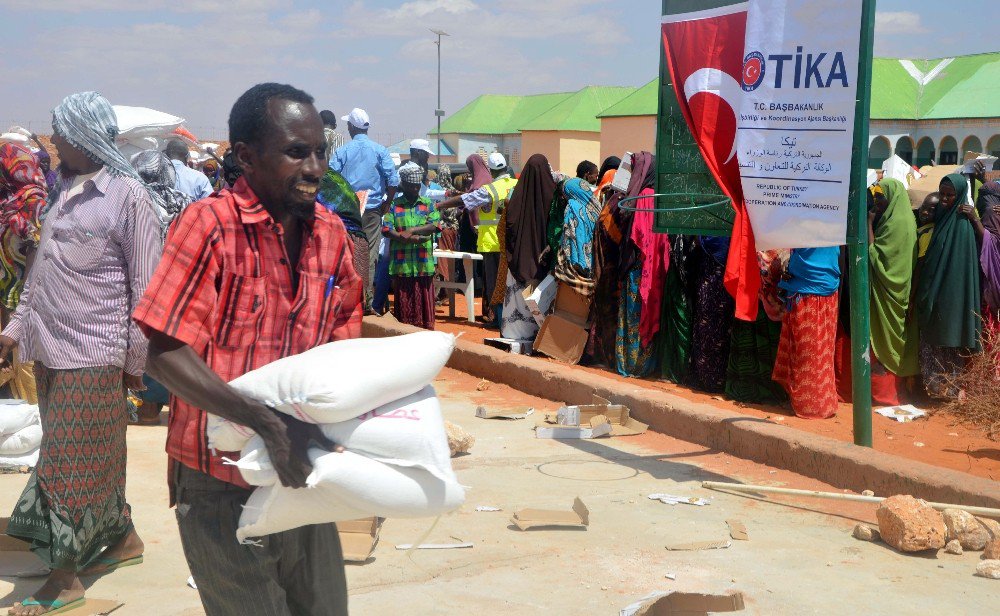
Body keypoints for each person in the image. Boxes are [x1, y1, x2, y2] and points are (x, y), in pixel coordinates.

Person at [134, 83, 362, 616]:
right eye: (295, 152)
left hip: (303, 472)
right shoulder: (208, 227)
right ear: (245, 157)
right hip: (218, 480)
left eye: (320, 151)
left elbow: (345, 341)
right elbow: (164, 350)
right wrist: (264, 422)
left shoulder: (330, 235)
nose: (313, 168)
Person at [0, 91, 162, 616]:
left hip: (94, 352)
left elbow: (146, 290)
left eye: (61, 133)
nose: (54, 141)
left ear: (85, 136)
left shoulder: (128, 198)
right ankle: (122, 541)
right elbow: (40, 274)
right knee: (100, 454)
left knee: (64, 462)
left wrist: (136, 364)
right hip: (49, 348)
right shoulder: (63, 191)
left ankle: (65, 578)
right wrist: (14, 330)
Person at [128, 150, 194, 425]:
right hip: (177, 288)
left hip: (142, 287)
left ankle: (145, 409)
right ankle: (174, 405)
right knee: (172, 346)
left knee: (143, 345)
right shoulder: (185, 203)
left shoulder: (132, 202)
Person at [915, 173, 982, 399]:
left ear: (960, 195)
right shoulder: (940, 220)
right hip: (933, 293)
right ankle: (934, 391)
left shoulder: (963, 226)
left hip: (951, 296)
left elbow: (962, 268)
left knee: (950, 343)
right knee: (932, 343)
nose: (944, 199)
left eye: (949, 195)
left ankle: (950, 392)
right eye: (942, 194)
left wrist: (976, 219)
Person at [330, 107, 399, 312]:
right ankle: (365, 300)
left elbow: (331, 178)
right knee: (368, 254)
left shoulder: (343, 151)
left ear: (351, 127)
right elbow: (393, 180)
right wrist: (387, 203)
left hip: (348, 208)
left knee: (347, 252)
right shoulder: (380, 150)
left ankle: (346, 299)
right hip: (372, 208)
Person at [438, 152, 515, 326]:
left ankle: (496, 319)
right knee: (510, 283)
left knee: (494, 283)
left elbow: (465, 200)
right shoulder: (517, 184)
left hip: (492, 242)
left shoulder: (490, 189)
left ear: (492, 171)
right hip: (512, 244)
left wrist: (440, 204)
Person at [771, 247, 841, 418]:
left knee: (807, 354)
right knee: (822, 351)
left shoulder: (807, 226)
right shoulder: (831, 225)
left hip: (807, 292)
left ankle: (809, 405)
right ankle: (824, 402)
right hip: (826, 289)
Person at [0, 143, 46, 404]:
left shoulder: (34, 202)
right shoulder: (6, 200)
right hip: (5, 294)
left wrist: (24, 302)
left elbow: (36, 248)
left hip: (24, 296)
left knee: (25, 363)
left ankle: (35, 420)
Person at [498, 154, 558, 339]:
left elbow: (506, 229)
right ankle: (540, 336)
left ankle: (513, 334)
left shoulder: (515, 199)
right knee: (540, 297)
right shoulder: (553, 196)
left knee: (517, 298)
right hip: (543, 261)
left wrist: (514, 254)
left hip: (518, 261)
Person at [382, 163, 440, 329]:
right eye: (411, 186)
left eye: (417, 186)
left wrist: (413, 230)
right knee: (405, 307)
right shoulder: (394, 205)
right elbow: (386, 229)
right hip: (403, 264)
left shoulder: (428, 204)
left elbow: (434, 225)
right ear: (404, 185)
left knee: (424, 305)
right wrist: (404, 237)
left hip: (423, 263)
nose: (415, 189)